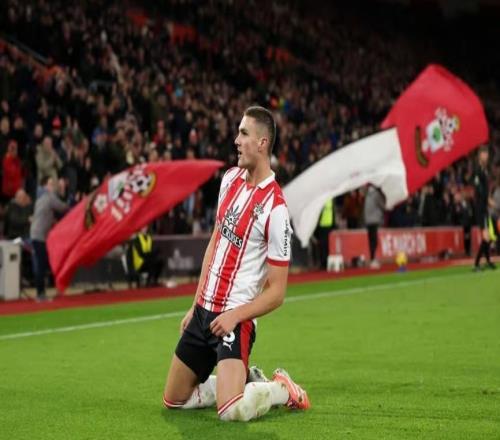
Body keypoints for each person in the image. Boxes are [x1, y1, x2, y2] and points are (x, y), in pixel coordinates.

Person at [163, 106, 310, 422]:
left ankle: (280, 389)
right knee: (174, 400)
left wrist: (234, 316)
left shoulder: (275, 209)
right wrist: (195, 305)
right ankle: (244, 379)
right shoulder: (229, 179)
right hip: (204, 312)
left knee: (230, 411)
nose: (236, 140)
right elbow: (214, 243)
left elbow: (277, 292)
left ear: (262, 143)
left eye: (244, 134)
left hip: (236, 318)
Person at [29, 176, 69, 301]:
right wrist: (71, 199)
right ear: (45, 186)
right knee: (42, 265)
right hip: (40, 236)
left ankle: (42, 292)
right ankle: (40, 294)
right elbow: (63, 207)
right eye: (51, 184)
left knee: (43, 264)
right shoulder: (49, 197)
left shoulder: (40, 198)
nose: (53, 186)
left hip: (36, 235)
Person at [473, 146, 495, 271]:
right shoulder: (477, 170)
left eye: (487, 153)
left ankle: (488, 261)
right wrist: (487, 199)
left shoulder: (484, 170)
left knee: (488, 236)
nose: (486, 156)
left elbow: (485, 188)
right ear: (479, 156)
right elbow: (478, 188)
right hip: (480, 207)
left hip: (484, 207)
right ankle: (476, 264)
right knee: (486, 237)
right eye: (484, 153)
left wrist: (488, 198)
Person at [364, 184, 385, 269]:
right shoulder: (376, 194)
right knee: (374, 241)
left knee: (371, 240)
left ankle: (373, 258)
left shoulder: (367, 194)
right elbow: (382, 205)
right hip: (374, 220)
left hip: (368, 220)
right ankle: (373, 259)